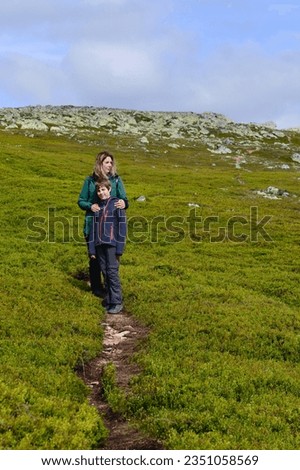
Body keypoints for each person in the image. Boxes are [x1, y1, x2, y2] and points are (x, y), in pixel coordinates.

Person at [78, 151, 128, 297]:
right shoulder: (90, 180)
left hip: (111, 227)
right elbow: (81, 200)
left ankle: (111, 290)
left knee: (110, 261)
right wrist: (90, 206)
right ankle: (96, 288)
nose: (110, 165)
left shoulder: (116, 180)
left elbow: (124, 199)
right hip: (92, 225)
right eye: (106, 162)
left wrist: (124, 203)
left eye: (111, 162)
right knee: (94, 258)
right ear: (100, 164)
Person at [88, 180, 126, 314]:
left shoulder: (117, 205)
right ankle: (109, 300)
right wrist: (91, 249)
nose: (101, 193)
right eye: (98, 191)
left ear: (109, 189)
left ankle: (117, 301)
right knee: (105, 272)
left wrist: (119, 248)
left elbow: (122, 227)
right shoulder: (97, 208)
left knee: (112, 273)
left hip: (112, 244)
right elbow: (93, 230)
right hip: (99, 245)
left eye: (103, 190)